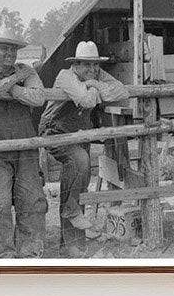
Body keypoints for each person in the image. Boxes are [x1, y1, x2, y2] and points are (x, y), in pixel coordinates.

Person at [39, 41, 127, 240]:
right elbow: (87, 101)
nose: (92, 69)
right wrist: (98, 91)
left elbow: (122, 91)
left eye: (95, 64)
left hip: (80, 131)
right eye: (86, 64)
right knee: (80, 161)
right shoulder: (65, 76)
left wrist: (94, 85)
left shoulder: (95, 75)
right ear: (76, 65)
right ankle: (71, 212)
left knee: (81, 179)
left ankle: (75, 244)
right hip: (55, 130)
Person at [0, 33, 47, 258]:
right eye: (4, 49)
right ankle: (3, 258)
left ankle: (30, 254)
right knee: (1, 204)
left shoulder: (27, 70)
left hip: (25, 145)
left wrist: (8, 89)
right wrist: (16, 81)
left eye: (13, 50)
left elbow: (38, 98)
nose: (9, 54)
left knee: (32, 200)